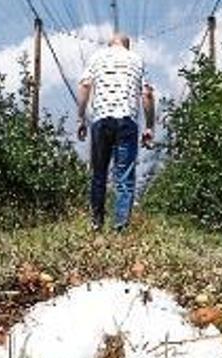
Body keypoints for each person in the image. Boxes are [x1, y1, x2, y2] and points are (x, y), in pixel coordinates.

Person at [76, 33, 155, 233]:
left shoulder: (97, 57)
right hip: (127, 121)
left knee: (99, 174)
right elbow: (146, 94)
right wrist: (149, 126)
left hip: (101, 120)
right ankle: (120, 227)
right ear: (128, 46)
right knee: (125, 176)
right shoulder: (136, 60)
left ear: (110, 44)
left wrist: (81, 118)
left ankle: (96, 223)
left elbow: (85, 85)